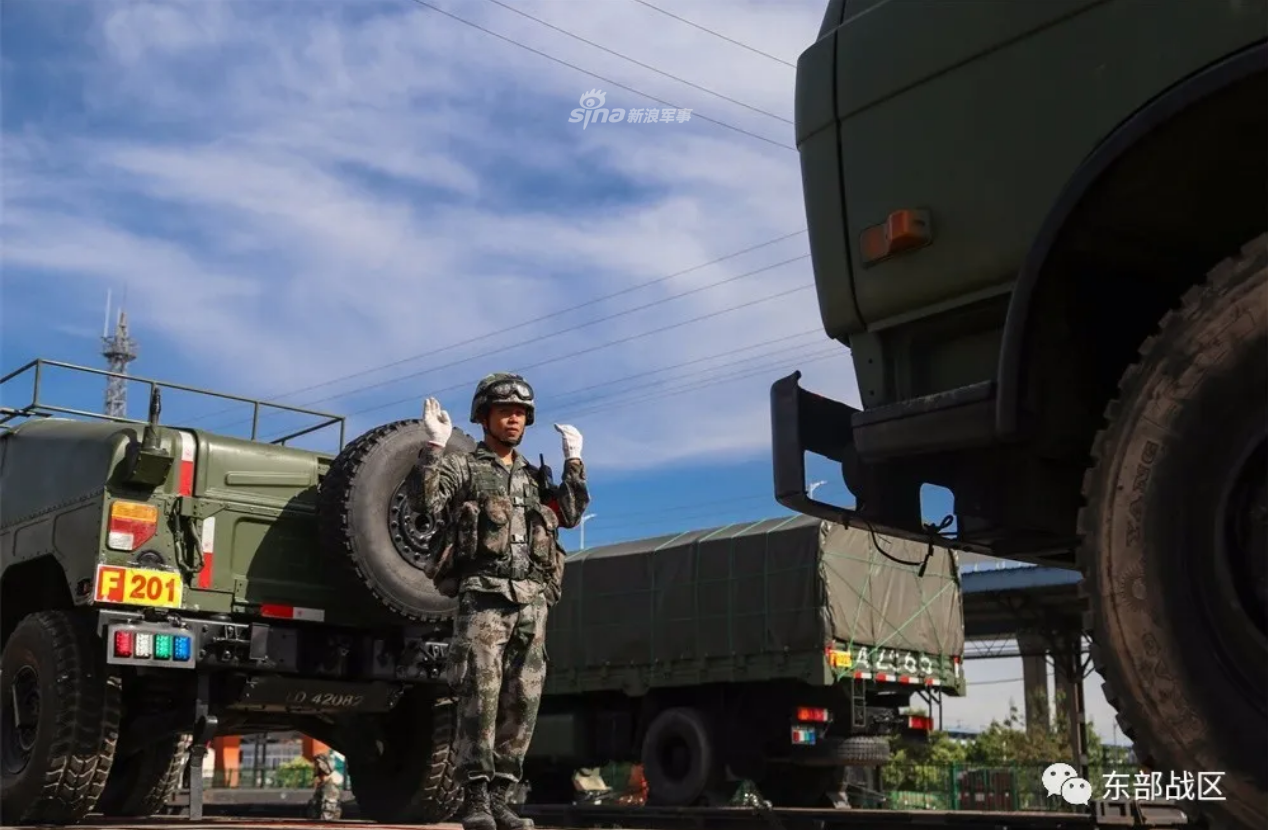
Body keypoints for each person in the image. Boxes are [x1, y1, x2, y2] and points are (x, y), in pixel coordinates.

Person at [415, 372, 590, 830]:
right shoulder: (465, 467)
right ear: (485, 416)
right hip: (485, 600)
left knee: (523, 700)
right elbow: (424, 504)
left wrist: (574, 462)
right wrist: (433, 448)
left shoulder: (535, 478)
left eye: (520, 413)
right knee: (480, 695)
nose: (514, 419)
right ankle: (474, 798)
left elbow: (570, 515)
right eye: (505, 411)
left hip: (532, 602)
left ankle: (501, 797)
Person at [306, 753, 343, 821]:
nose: (314, 767)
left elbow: (327, 817)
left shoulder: (330, 789)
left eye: (316, 764)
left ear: (322, 767)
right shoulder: (323, 786)